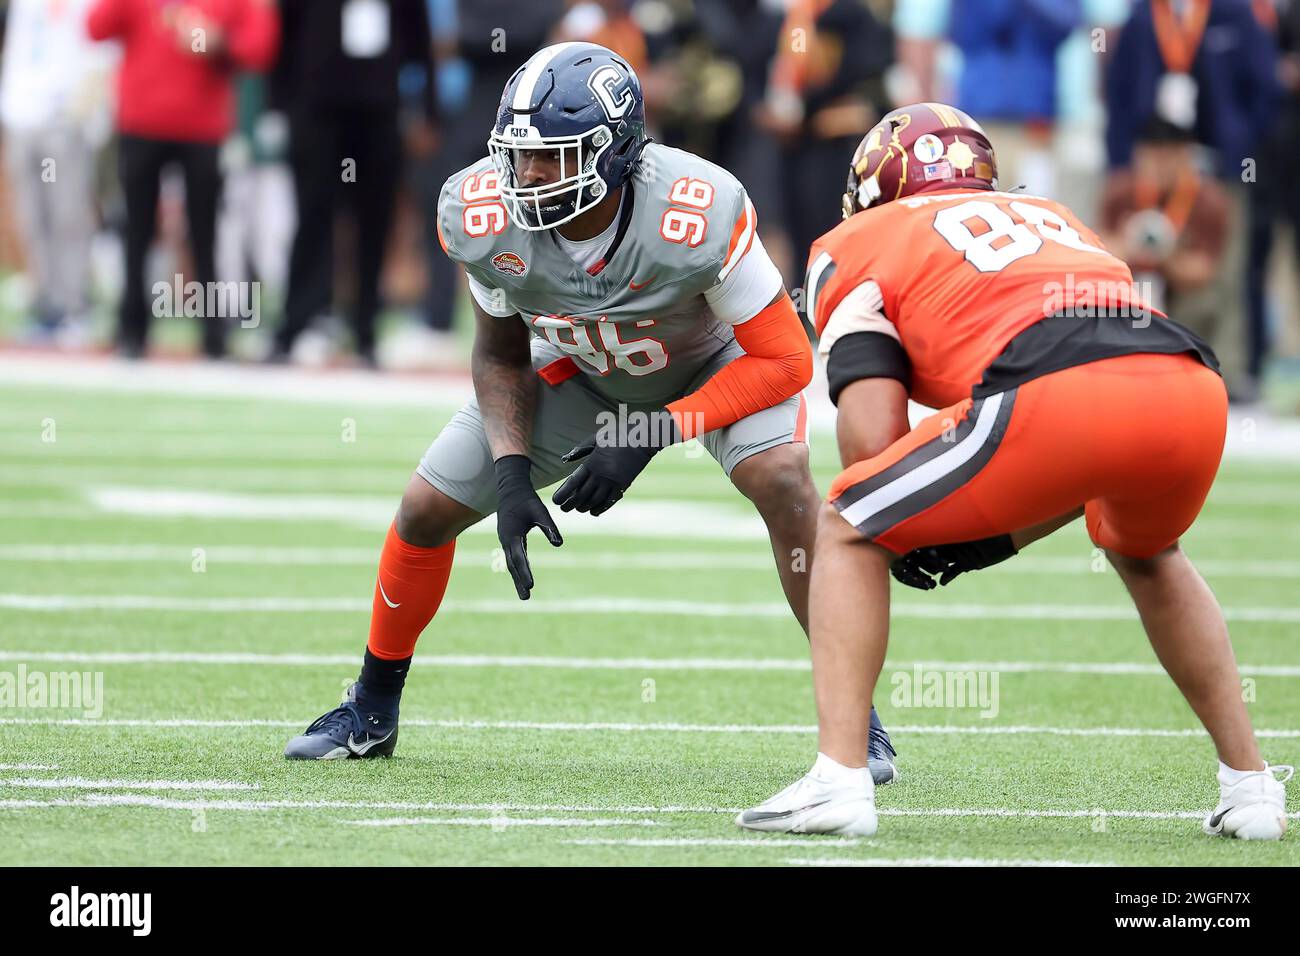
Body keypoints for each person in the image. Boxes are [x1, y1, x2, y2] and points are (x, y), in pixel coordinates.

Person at [281, 42, 899, 781]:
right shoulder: (483, 213)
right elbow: (502, 355)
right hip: (588, 367)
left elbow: (787, 360)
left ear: (615, 154)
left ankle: (856, 721)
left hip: (713, 361)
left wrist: (646, 435)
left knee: (783, 478)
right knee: (424, 507)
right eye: (520, 156)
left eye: (555, 157)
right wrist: (511, 473)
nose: (530, 175)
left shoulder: (693, 209)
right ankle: (372, 708)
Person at [738, 103, 1291, 839]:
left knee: (845, 522)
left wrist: (931, 528)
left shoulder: (859, 238)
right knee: (1148, 553)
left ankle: (839, 778)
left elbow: (872, 446)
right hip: (1187, 386)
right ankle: (1251, 788)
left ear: (875, 187)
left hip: (1053, 386)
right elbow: (1092, 440)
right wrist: (1000, 536)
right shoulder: (1055, 216)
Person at [87, 0, 280, 359]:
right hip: (141, 122)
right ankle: (131, 331)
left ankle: (212, 336)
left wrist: (218, 41)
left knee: (205, 234)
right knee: (137, 230)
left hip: (203, 128)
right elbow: (95, 27)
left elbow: (259, 49)